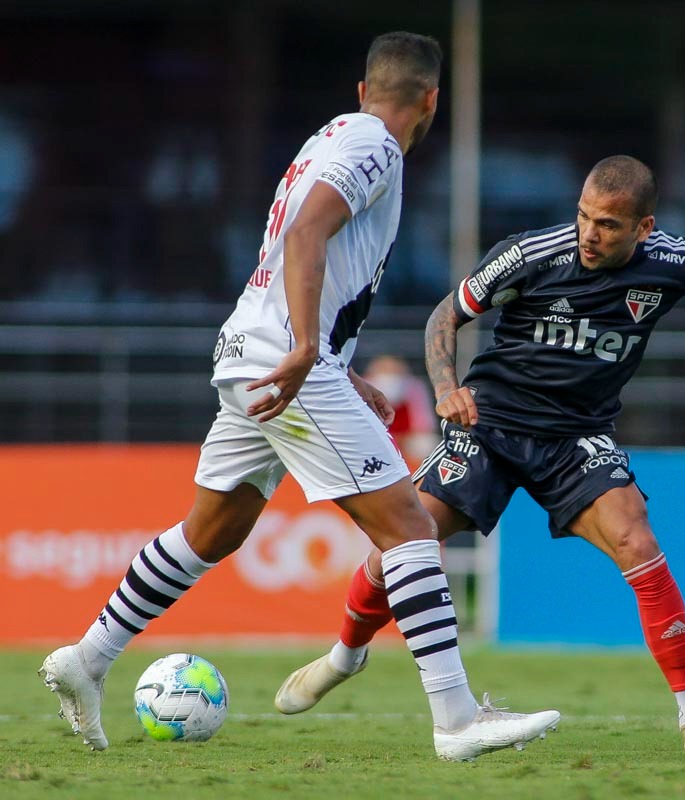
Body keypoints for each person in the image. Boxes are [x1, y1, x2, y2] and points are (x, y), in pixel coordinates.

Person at [38, 32, 559, 762]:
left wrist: (339, 368)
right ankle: (457, 719)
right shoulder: (376, 143)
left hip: (251, 352)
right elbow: (310, 232)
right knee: (409, 526)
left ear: (361, 88)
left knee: (212, 531)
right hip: (287, 360)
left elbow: (298, 245)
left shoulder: (332, 135)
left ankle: (87, 658)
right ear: (432, 101)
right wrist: (312, 350)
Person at [273, 154, 685, 753]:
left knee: (638, 541)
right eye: (584, 217)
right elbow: (447, 313)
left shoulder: (680, 260)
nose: (590, 234)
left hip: (577, 436)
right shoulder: (534, 252)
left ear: (644, 228)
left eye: (608, 225)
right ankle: (345, 656)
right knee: (405, 544)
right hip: (490, 424)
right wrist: (445, 388)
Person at [361, 354, 438, 469]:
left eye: (394, 371)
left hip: (407, 439)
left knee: (425, 444)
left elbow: (424, 427)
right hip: (373, 439)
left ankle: (419, 478)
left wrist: (399, 440)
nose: (389, 376)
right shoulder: (362, 388)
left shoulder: (414, 388)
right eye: (385, 371)